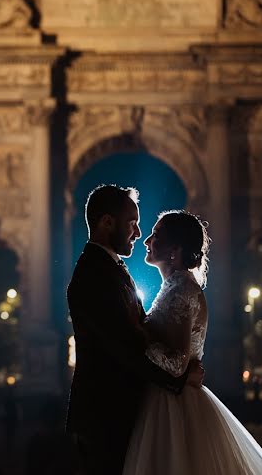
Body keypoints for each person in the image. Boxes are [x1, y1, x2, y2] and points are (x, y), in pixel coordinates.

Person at [122, 210, 262, 474]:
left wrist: (134, 338)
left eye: (156, 235)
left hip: (170, 403)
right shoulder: (176, 287)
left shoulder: (181, 290)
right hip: (174, 398)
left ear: (175, 250)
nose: (146, 240)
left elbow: (176, 364)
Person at [66, 184, 203, 475]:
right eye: (132, 224)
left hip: (116, 413)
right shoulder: (95, 275)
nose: (139, 234)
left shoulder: (106, 269)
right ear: (106, 223)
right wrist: (180, 379)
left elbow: (139, 336)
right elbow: (126, 347)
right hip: (105, 417)